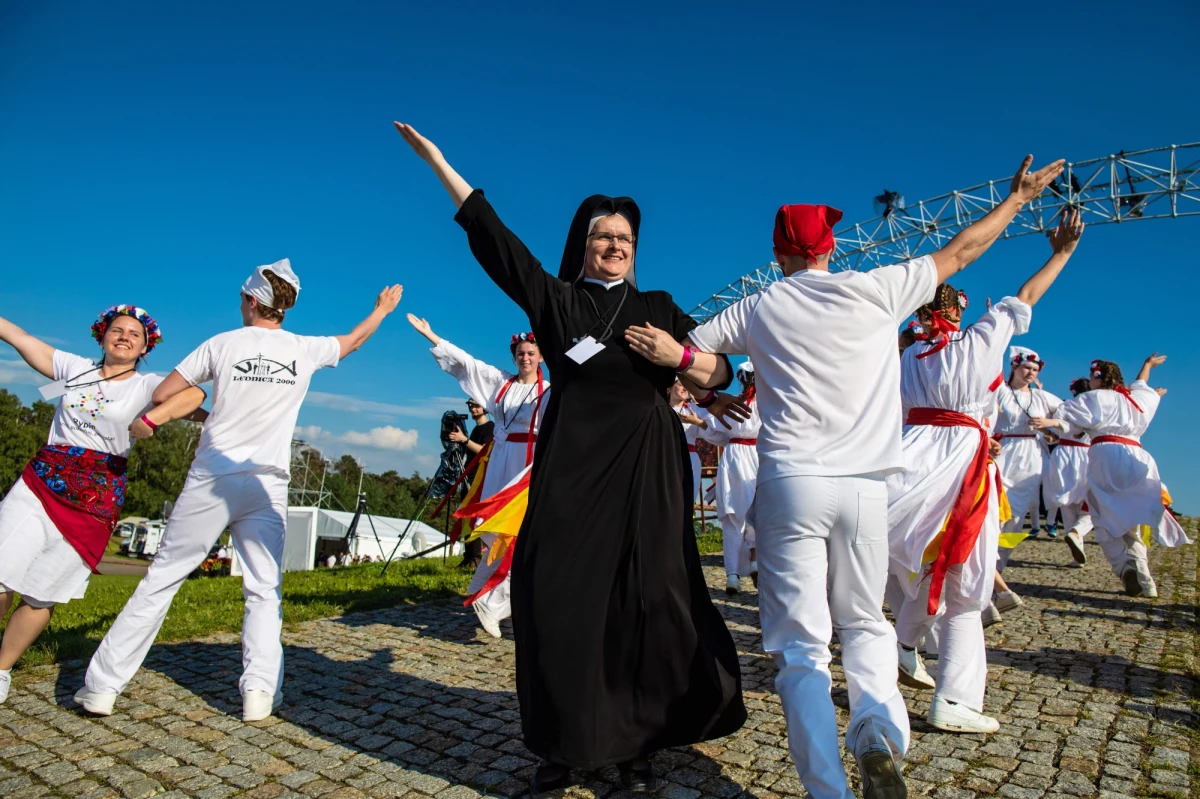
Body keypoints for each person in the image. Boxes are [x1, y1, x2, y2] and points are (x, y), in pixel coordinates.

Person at [636, 155, 1065, 799]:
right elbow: (963, 251)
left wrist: (700, 376)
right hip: (866, 485)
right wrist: (1018, 200)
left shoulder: (760, 305)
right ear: (832, 246)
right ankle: (874, 730)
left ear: (779, 253)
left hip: (791, 482)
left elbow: (694, 359)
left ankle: (830, 790)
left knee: (802, 649)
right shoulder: (878, 289)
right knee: (865, 622)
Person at [395, 122, 745, 795]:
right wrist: (441, 163)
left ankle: (637, 743)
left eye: (625, 240)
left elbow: (721, 371)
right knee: (555, 596)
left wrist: (684, 360)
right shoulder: (556, 301)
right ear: (584, 244)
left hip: (647, 470)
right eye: (603, 237)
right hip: (572, 468)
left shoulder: (659, 306)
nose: (615, 246)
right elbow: (495, 242)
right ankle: (562, 740)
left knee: (645, 600)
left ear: (634, 251)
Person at [75, 260, 402, 722]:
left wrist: (197, 414)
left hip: (214, 473)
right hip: (266, 481)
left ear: (251, 300)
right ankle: (258, 695)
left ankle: (102, 689)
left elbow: (166, 394)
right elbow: (352, 342)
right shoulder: (304, 349)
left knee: (162, 579)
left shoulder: (221, 343)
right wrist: (381, 311)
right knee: (263, 590)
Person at [888, 208, 1082, 735]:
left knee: (930, 570)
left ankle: (901, 651)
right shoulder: (980, 341)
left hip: (911, 462)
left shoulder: (906, 358)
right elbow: (1028, 295)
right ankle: (956, 700)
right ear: (960, 310)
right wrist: (1061, 252)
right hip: (961, 470)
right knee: (966, 588)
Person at [0, 306, 205, 704]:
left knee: (43, 593)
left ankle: (2, 669)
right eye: (118, 329)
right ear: (102, 335)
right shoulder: (73, 369)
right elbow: (20, 338)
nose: (125, 336)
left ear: (146, 346)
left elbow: (195, 394)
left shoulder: (148, 386)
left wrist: (155, 417)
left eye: (135, 334)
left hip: (96, 499)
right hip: (43, 481)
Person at [408, 315, 549, 639]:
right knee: (500, 533)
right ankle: (491, 601)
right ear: (514, 357)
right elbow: (468, 364)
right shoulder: (501, 383)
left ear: (541, 356)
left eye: (531, 353)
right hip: (500, 463)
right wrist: (433, 336)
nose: (525, 358)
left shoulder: (552, 392)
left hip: (529, 468)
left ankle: (484, 592)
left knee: (519, 535)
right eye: (520, 354)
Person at [1031, 355, 1178, 597]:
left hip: (1107, 459)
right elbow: (1142, 385)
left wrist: (1048, 421)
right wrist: (1148, 366)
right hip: (1139, 460)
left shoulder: (1093, 397)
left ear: (1098, 378)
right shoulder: (1137, 398)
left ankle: (1123, 567)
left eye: (1091, 377)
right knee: (1131, 524)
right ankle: (1146, 580)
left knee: (1100, 519)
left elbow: (1067, 419)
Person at [992, 345, 1061, 612]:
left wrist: (1050, 425)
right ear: (1014, 367)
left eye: (1035, 369)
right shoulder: (1000, 390)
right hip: (1001, 453)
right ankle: (983, 575)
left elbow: (1070, 413)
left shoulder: (1042, 397)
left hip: (1030, 458)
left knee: (1014, 520)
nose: (1030, 373)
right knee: (992, 514)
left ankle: (996, 571)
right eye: (1026, 368)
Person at [697, 361, 760, 594]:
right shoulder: (767, 402)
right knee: (758, 512)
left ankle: (732, 575)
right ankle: (754, 561)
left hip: (734, 458)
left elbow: (714, 432)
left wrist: (699, 422)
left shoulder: (731, 403)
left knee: (732, 517)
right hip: (759, 456)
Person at [1046, 377, 1093, 565]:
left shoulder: (1064, 407)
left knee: (1067, 504)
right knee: (1091, 502)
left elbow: (1055, 435)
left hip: (1062, 454)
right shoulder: (1095, 408)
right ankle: (1078, 532)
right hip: (1086, 454)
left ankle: (1076, 553)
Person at [451, 399, 494, 569]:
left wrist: (464, 440)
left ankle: (475, 556)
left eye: (476, 406)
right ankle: (469, 556)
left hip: (479, 477)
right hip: (470, 475)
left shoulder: (490, 427)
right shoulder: (477, 429)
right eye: (471, 406)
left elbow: (485, 450)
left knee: (473, 515)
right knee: (466, 516)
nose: (473, 409)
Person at [668, 379, 708, 505]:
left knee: (686, 500)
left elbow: (713, 431)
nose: (685, 388)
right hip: (665, 457)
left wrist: (696, 422)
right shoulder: (661, 410)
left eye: (687, 385)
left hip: (689, 458)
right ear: (669, 388)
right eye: (680, 384)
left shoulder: (695, 410)